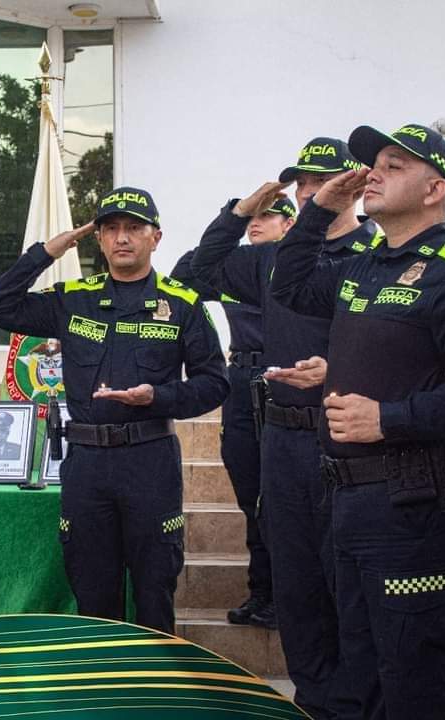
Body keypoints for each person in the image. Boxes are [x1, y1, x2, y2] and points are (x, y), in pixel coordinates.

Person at [269, 124, 445, 719]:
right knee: (362, 679)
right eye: (374, 163)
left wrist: (388, 419)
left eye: (395, 166)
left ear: (435, 189)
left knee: (411, 687)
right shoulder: (364, 266)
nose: (374, 172)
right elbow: (290, 285)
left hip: (416, 502)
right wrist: (320, 208)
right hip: (349, 500)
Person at [0, 186, 228, 634]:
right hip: (88, 465)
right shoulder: (73, 299)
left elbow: (215, 384)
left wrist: (157, 396)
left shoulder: (183, 305)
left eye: (134, 228)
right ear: (97, 240)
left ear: (156, 236)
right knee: (92, 588)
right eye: (110, 229)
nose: (122, 238)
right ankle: (101, 687)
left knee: (154, 586)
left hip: (149, 463)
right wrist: (50, 249)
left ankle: (154, 690)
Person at [190, 138, 379, 720]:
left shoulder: (378, 252)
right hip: (281, 436)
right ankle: (315, 705)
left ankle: (356, 706)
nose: (307, 191)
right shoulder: (273, 257)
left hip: (349, 440)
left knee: (345, 584)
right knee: (296, 585)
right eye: (300, 184)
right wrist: (241, 211)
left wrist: (342, 373)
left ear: (349, 185)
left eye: (319, 181)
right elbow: (197, 272)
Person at [169, 197, 296, 630]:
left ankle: (288, 593)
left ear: (289, 223)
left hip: (287, 377)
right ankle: (263, 591)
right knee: (250, 493)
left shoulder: (299, 265)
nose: (256, 225)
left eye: (266, 217)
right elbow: (185, 274)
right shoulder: (237, 265)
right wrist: (232, 219)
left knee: (282, 496)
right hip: (242, 380)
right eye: (252, 218)